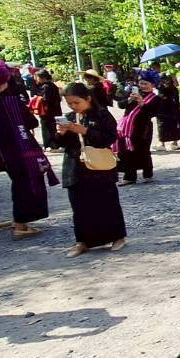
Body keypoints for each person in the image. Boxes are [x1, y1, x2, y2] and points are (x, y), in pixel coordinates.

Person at [0, 58, 54, 239]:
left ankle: (20, 221)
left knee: (18, 183)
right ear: (1, 83)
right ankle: (20, 224)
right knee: (24, 184)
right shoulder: (10, 102)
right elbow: (31, 121)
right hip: (19, 150)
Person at [56, 81, 126, 256]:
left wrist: (85, 131)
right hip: (75, 166)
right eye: (70, 103)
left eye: (76, 102)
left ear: (87, 98)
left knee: (106, 202)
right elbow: (57, 144)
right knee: (79, 206)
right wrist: (61, 134)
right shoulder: (70, 117)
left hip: (99, 167)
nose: (73, 106)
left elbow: (109, 139)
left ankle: (117, 236)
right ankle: (82, 241)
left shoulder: (102, 114)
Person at [117, 69, 162, 185]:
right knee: (127, 151)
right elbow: (120, 105)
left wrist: (143, 104)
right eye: (141, 83)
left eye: (146, 84)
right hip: (127, 128)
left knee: (143, 151)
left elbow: (154, 113)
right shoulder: (133, 93)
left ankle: (147, 174)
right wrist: (129, 99)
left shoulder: (155, 98)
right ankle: (129, 176)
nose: (143, 86)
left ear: (153, 85)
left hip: (143, 128)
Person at [155, 74, 180, 151]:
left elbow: (161, 97)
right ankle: (174, 143)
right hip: (173, 110)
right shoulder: (173, 88)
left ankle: (162, 143)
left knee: (162, 126)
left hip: (163, 110)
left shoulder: (161, 88)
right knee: (173, 125)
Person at [35, 70, 63, 150]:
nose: (36, 79)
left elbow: (45, 99)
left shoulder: (45, 87)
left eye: (37, 77)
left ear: (42, 77)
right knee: (53, 127)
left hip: (47, 112)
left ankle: (50, 145)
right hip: (55, 110)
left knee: (47, 128)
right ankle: (56, 144)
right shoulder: (52, 85)